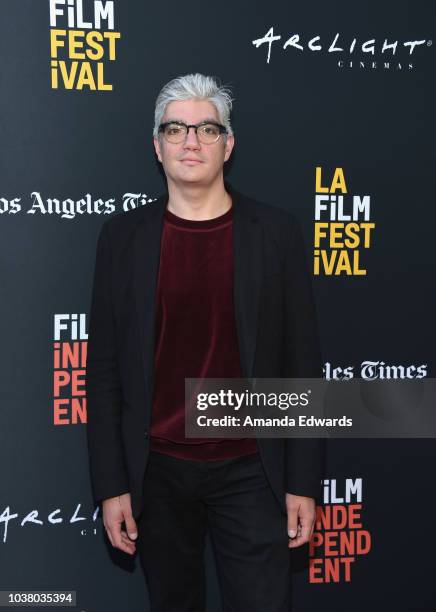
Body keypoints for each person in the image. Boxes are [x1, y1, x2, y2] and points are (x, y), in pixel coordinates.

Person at [86, 73, 324, 611]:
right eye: (176, 128)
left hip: (253, 471)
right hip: (158, 474)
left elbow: (302, 364)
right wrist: (111, 484)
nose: (191, 141)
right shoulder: (122, 238)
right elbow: (101, 370)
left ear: (229, 144)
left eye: (206, 129)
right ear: (157, 144)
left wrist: (303, 482)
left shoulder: (276, 234)